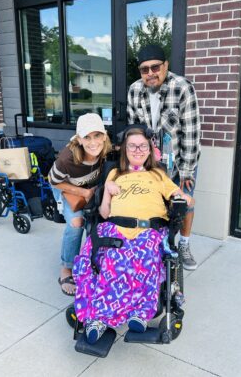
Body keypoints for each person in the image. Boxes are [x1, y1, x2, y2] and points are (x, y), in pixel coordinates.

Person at [72, 125, 194, 344]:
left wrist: (183, 199)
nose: (137, 150)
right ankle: (99, 318)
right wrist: (107, 191)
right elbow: (104, 213)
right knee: (109, 260)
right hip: (115, 227)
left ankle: (139, 312)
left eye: (142, 146)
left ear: (149, 150)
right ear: (125, 150)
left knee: (144, 258)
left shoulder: (158, 174)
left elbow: (181, 196)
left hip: (149, 230)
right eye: (132, 146)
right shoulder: (115, 173)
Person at [127, 44, 201, 271]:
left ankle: (184, 245)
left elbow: (191, 132)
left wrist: (187, 171)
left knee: (183, 203)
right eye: (144, 69)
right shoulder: (134, 90)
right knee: (154, 205)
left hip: (180, 161)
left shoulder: (182, 87)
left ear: (165, 65)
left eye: (155, 67)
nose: (150, 73)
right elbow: (134, 131)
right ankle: (159, 246)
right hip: (151, 164)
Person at [48, 113, 112, 296]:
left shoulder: (107, 150)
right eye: (87, 137)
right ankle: (66, 269)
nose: (93, 142)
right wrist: (83, 192)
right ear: (79, 139)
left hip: (91, 188)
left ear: (104, 135)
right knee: (77, 223)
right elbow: (53, 181)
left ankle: (92, 262)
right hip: (67, 188)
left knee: (101, 221)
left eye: (97, 135)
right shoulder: (66, 159)